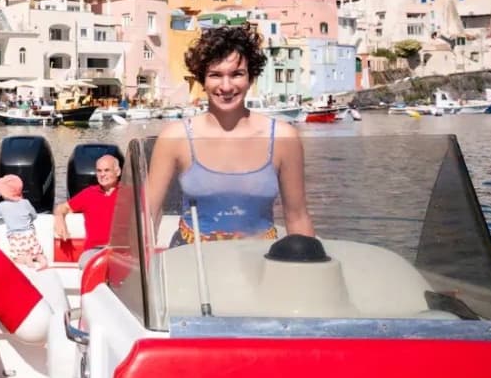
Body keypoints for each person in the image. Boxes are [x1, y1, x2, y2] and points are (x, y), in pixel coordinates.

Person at [147, 24, 314, 247]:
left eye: (236, 74)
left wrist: (308, 267)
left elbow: (298, 218)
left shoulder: (284, 138)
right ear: (202, 81)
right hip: (192, 263)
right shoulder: (175, 138)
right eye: (215, 75)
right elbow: (148, 215)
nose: (226, 86)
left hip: (259, 263)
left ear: (251, 78)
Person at [53, 154, 122, 268]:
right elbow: (61, 208)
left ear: (118, 172)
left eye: (107, 170)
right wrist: (59, 218)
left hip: (121, 250)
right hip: (94, 250)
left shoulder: (129, 192)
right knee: (88, 264)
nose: (102, 174)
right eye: (99, 171)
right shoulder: (89, 194)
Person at [0, 175, 47, 270]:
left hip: (16, 238)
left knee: (16, 258)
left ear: (4, 193)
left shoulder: (2, 206)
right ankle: (41, 259)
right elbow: (34, 215)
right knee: (36, 253)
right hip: (30, 235)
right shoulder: (26, 202)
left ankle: (25, 259)